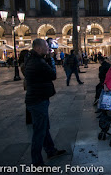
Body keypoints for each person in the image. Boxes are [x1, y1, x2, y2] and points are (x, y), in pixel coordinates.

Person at [24, 38, 66, 166]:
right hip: (38, 100)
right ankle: (37, 163)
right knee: (39, 132)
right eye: (46, 46)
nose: (48, 48)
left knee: (44, 128)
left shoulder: (33, 59)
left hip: (36, 98)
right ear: (38, 48)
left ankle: (50, 150)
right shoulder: (38, 62)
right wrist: (51, 59)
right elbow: (53, 75)